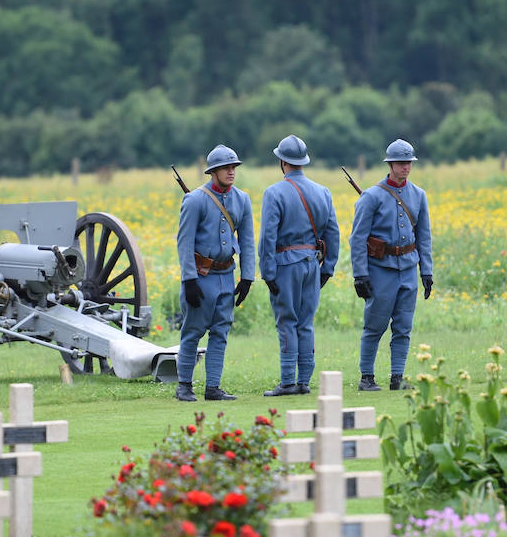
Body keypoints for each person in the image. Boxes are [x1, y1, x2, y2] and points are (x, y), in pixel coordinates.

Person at [259, 135, 340, 396]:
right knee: (306, 323)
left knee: (286, 322)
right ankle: (304, 381)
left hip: (285, 265)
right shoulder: (323, 192)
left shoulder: (273, 193)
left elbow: (268, 237)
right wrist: (327, 268)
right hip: (312, 265)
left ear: (282, 162)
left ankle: (287, 381)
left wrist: (267, 272)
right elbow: (332, 233)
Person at [350, 139, 433, 391]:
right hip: (380, 269)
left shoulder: (418, 195)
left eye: (408, 162)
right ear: (390, 164)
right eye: (400, 163)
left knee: (403, 326)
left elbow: (424, 236)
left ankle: (398, 377)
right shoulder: (371, 196)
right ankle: (367, 377)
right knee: (374, 325)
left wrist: (426, 271)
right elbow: (357, 238)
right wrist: (360, 275)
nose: (405, 167)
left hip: (408, 268)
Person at [175, 144, 255, 402]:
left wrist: (247, 277)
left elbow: (247, 240)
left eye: (234, 167)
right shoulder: (194, 200)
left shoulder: (242, 200)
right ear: (213, 171)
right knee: (192, 331)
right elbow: (184, 242)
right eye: (226, 167)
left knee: (221, 331)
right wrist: (189, 279)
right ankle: (184, 386)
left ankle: (213, 388)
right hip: (200, 277)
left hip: (226, 275)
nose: (231, 171)